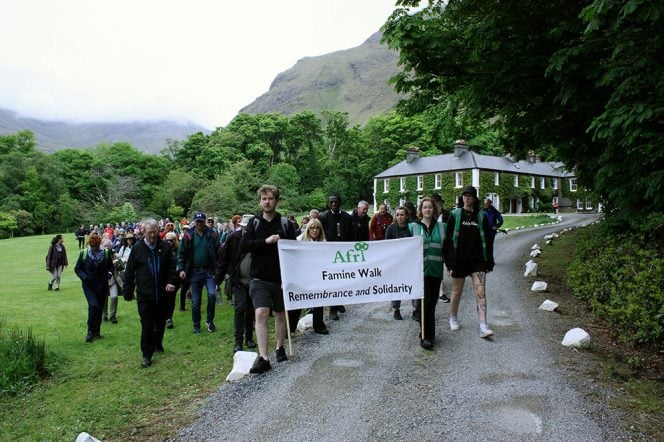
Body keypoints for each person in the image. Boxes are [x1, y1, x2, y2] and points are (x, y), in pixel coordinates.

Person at [240, 185, 296, 374]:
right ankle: (263, 356)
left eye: (270, 198)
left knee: (280, 314)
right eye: (264, 199)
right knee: (261, 313)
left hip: (280, 278)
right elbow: (244, 245)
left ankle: (280, 347)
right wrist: (266, 241)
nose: (267, 202)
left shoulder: (285, 224)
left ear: (276, 201)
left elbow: (294, 251)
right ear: (260, 201)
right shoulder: (253, 223)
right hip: (259, 278)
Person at [123, 219, 178, 368]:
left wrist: (171, 281)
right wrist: (127, 291)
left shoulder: (165, 247)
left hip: (162, 294)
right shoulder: (137, 249)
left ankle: (157, 343)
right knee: (147, 324)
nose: (153, 235)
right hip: (144, 294)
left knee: (160, 322)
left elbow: (172, 267)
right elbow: (129, 271)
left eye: (155, 231)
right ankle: (146, 355)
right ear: (143, 232)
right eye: (150, 232)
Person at [444, 186, 495, 339]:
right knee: (457, 291)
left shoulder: (481, 216)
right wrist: (450, 264)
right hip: (459, 260)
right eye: (465, 195)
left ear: (474, 198)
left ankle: (483, 325)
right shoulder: (455, 214)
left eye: (470, 196)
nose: (467, 198)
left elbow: (488, 239)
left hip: (477, 260)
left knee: (480, 291)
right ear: (462, 198)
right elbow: (447, 241)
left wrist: (489, 261)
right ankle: (452, 317)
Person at [216, 214, 257, 352]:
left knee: (251, 310)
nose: (246, 229)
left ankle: (249, 338)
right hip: (238, 280)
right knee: (240, 308)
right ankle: (238, 342)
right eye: (244, 227)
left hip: (254, 281)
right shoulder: (233, 238)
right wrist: (218, 279)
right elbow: (224, 259)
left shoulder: (258, 239)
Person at [409, 197, 445, 350]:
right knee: (426, 303)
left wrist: (451, 266)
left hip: (436, 271)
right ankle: (427, 336)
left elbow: (448, 248)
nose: (428, 210)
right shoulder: (413, 227)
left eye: (430, 207)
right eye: (425, 207)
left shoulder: (442, 227)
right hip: (420, 272)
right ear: (421, 210)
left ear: (434, 209)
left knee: (432, 303)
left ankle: (426, 331)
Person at [177, 212, 220, 334]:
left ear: (205, 222)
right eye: (197, 221)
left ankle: (210, 320)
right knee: (196, 302)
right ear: (194, 222)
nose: (199, 224)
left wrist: (219, 269)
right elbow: (181, 253)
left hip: (209, 271)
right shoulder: (188, 235)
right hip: (194, 272)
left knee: (212, 295)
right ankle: (196, 324)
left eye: (201, 221)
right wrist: (181, 269)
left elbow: (218, 251)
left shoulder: (212, 234)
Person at [288, 217, 330, 335]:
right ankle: (290, 328)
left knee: (318, 301)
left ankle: (318, 325)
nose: (315, 230)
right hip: (302, 276)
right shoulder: (300, 240)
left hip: (316, 276)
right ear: (308, 229)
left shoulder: (324, 243)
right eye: (312, 228)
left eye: (317, 228)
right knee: (299, 302)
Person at [319, 193, 355, 320]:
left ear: (340, 202)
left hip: (344, 255)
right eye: (331, 202)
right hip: (329, 254)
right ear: (328, 203)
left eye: (336, 202)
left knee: (342, 280)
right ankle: (332, 309)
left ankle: (339, 302)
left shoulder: (346, 217)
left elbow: (351, 235)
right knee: (333, 281)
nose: (334, 204)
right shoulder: (323, 217)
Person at [74, 232, 114, 342]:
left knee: (100, 308)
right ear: (89, 244)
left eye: (96, 246)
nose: (95, 248)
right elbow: (78, 269)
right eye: (93, 246)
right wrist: (84, 277)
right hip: (89, 285)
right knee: (93, 306)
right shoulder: (84, 253)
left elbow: (111, 267)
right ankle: (90, 332)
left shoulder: (105, 253)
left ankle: (97, 332)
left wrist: (109, 275)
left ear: (99, 244)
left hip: (102, 285)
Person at [385, 207, 411, 320]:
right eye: (398, 215)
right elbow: (387, 245)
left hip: (409, 261)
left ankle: (416, 309)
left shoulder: (411, 228)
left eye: (402, 215)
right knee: (396, 286)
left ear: (406, 216)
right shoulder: (391, 228)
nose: (399, 217)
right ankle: (396, 309)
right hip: (396, 263)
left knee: (412, 284)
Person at [432, 194, 451, 303]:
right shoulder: (429, 214)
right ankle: (440, 292)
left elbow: (450, 230)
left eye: (436, 202)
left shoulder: (446, 215)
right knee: (436, 267)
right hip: (433, 244)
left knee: (442, 268)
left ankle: (440, 292)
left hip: (444, 243)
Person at [101, 238, 123, 324]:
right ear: (102, 246)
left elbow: (122, 268)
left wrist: (117, 262)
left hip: (113, 280)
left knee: (114, 297)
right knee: (104, 299)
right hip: (103, 281)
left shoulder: (114, 255)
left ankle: (113, 315)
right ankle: (104, 316)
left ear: (111, 246)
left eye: (108, 245)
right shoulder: (100, 255)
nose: (106, 247)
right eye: (105, 245)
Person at [164, 231, 181, 329]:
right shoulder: (162, 250)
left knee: (171, 298)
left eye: (171, 240)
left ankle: (168, 318)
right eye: (167, 240)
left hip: (175, 278)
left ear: (175, 240)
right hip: (164, 278)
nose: (169, 242)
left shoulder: (179, 250)